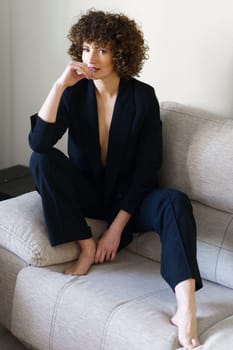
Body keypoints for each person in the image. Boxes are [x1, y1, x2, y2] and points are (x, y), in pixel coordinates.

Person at [29, 9, 203, 349]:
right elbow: (39, 143)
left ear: (120, 54)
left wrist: (117, 228)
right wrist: (59, 85)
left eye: (102, 50)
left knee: (174, 201)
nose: (90, 58)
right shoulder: (74, 93)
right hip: (90, 193)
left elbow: (147, 167)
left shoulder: (142, 97)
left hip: (131, 200)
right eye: (86, 48)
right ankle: (84, 244)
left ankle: (186, 306)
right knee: (41, 160)